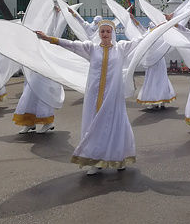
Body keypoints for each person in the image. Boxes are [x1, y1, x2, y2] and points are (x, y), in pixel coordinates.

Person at [36, 20, 142, 174]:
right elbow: (71, 44)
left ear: (112, 33)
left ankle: (118, 158)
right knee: (94, 124)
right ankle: (95, 161)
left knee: (115, 124)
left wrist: (157, 29)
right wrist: (49, 39)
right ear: (99, 34)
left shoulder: (121, 48)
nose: (105, 34)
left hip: (113, 96)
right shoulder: (91, 48)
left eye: (108, 31)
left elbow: (140, 41)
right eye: (102, 32)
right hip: (94, 94)